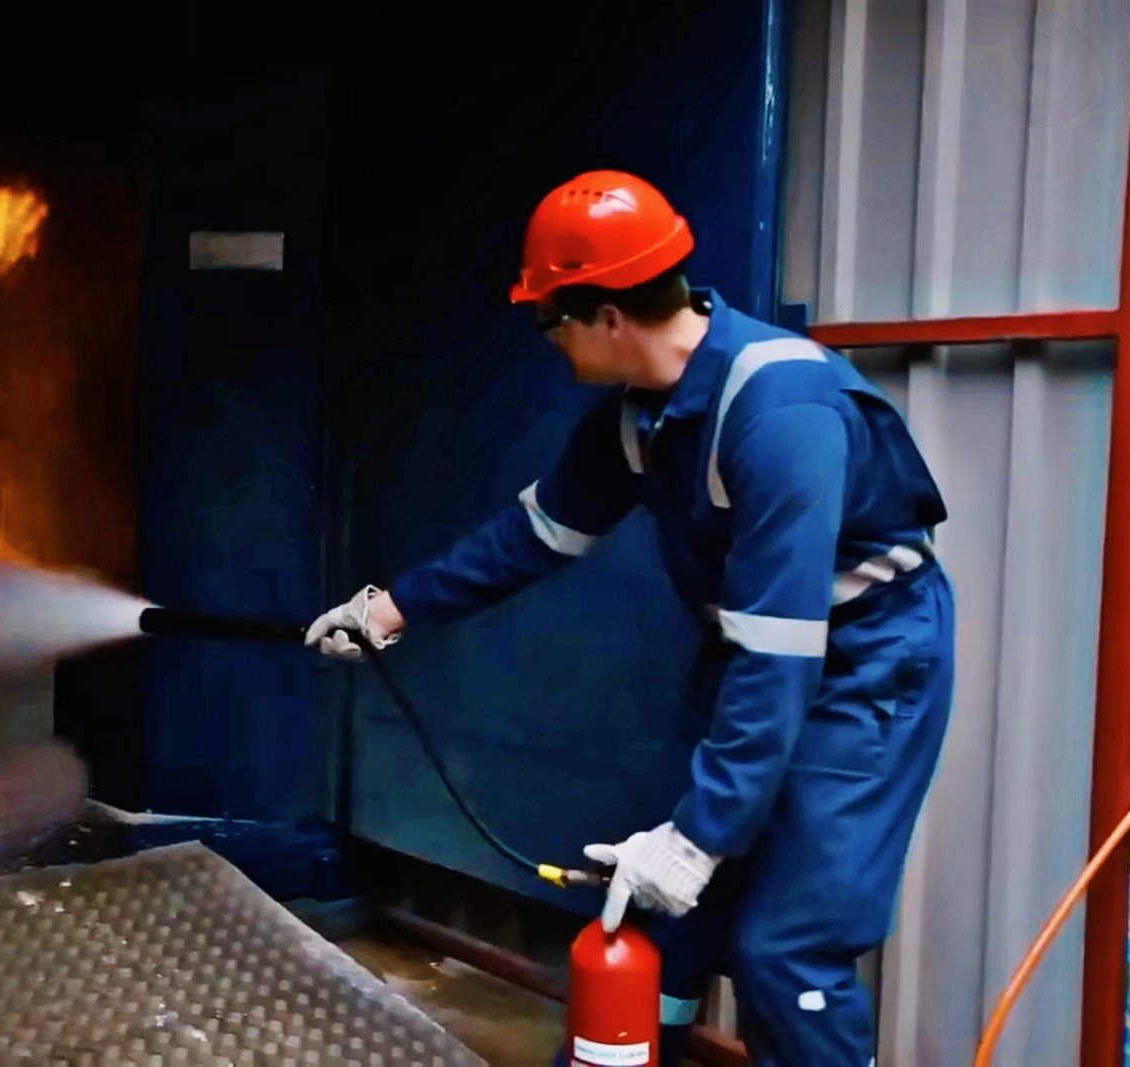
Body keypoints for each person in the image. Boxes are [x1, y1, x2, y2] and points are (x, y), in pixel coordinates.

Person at [306, 170, 955, 1066]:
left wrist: (699, 839)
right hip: (756, 647)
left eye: (548, 317)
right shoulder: (639, 418)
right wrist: (393, 609)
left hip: (870, 664)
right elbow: (532, 537)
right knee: (667, 919)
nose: (546, 339)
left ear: (607, 314)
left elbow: (784, 657)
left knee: (785, 946)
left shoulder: (781, 413)